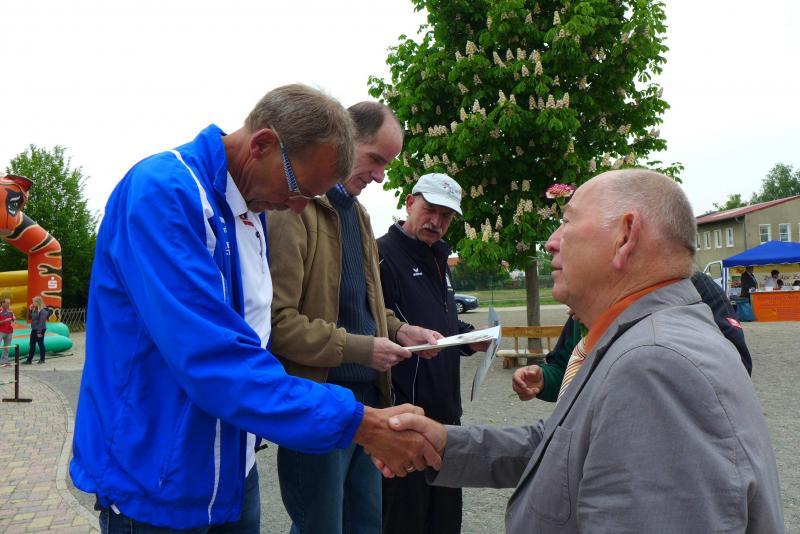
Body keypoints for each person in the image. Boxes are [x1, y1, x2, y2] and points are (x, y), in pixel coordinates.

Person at [70, 86, 439, 533]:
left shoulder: (250, 209)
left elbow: (255, 336)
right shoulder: (165, 194)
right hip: (157, 481)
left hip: (232, 468)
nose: (297, 208)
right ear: (263, 144)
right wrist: (358, 423)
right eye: (299, 190)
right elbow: (213, 359)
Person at [378, 169, 784, 533]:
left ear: (625, 236)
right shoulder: (641, 337)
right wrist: (444, 444)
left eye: (568, 222)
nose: (551, 242)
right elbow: (565, 445)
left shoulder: (656, 365)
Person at [267, 101, 441, 534]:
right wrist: (364, 349)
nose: (380, 176)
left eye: (387, 165)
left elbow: (365, 306)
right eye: (375, 159)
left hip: (369, 402)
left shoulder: (359, 214)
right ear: (344, 141)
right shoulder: (292, 209)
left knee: (367, 526)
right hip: (319, 402)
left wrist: (401, 330)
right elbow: (278, 324)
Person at [377, 173, 486, 534]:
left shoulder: (440, 256)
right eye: (430, 210)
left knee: (445, 520)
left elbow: (440, 322)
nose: (436, 221)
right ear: (409, 203)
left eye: (446, 216)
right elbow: (372, 323)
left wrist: (470, 339)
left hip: (447, 415)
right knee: (405, 521)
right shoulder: (381, 254)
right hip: (406, 415)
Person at [24, 296, 50, 364]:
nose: (32, 303)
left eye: (33, 302)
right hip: (34, 329)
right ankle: (29, 360)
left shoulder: (43, 310)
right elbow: (30, 318)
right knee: (32, 344)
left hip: (40, 329)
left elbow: (42, 322)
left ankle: (42, 359)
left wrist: (39, 332)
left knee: (40, 344)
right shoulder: (35, 309)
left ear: (38, 302)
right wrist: (30, 310)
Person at [0, 297, 16, 367]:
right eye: (8, 303)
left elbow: (14, 319)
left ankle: (4, 361)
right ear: (3, 303)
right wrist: (5, 321)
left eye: (9, 303)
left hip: (9, 331)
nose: (9, 304)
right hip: (1, 331)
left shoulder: (10, 311)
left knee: (7, 347)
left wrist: (13, 322)